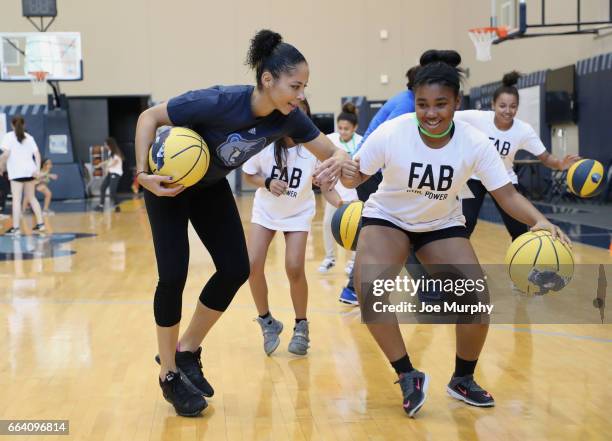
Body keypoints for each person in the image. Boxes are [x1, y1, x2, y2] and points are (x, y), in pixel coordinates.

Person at [340, 50, 570, 417]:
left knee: (476, 302)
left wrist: (539, 221)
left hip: (441, 224)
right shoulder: (392, 131)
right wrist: (345, 173)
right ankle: (407, 374)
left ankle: (462, 378)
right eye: (422, 104)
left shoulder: (474, 142)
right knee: (372, 292)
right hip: (388, 218)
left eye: (441, 104)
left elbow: (506, 193)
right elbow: (359, 175)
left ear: (457, 103)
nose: (431, 113)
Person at [135, 29, 348, 417]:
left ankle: (187, 351)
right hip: (167, 184)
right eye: (295, 85)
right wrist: (142, 174)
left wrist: (340, 159)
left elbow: (331, 150)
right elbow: (149, 117)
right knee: (173, 275)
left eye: (305, 87)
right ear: (268, 81)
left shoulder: (290, 119)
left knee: (236, 267)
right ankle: (168, 373)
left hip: (209, 186)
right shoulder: (218, 101)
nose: (301, 95)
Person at [244, 99, 341, 356]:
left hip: (298, 212)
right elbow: (248, 174)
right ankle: (267, 322)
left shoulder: (314, 149)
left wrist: (343, 207)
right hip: (266, 211)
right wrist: (266, 181)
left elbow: (327, 188)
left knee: (294, 266)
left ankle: (301, 325)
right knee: (251, 265)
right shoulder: (265, 143)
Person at [455, 71, 580, 240]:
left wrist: (559, 164)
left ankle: (525, 263)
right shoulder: (478, 118)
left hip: (503, 178)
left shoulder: (524, 130)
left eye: (512, 106)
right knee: (465, 223)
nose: (508, 111)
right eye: (502, 106)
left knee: (519, 229)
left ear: (517, 108)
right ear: (493, 105)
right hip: (475, 177)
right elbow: (447, 117)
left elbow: (545, 157)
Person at [338, 66, 419, 305]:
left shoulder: (407, 100)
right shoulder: (407, 105)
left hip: (371, 169)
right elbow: (391, 143)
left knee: (387, 229)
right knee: (396, 228)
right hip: (372, 171)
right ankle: (354, 288)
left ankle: (353, 289)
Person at [318, 102, 362, 274]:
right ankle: (329, 258)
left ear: (355, 128)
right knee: (328, 224)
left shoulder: (361, 142)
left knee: (355, 228)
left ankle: (353, 260)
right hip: (334, 191)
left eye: (347, 128)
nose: (343, 131)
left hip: (355, 193)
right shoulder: (330, 140)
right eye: (340, 127)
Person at [0, 115, 45, 236]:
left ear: (11, 125)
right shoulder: (29, 137)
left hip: (16, 173)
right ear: (24, 125)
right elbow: (37, 154)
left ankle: (16, 228)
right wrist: (37, 170)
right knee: (32, 197)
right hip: (30, 172)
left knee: (16, 200)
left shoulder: (8, 137)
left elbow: (6, 154)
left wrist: (1, 165)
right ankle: (40, 224)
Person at [95, 137, 124, 212]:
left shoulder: (116, 153)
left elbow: (116, 161)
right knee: (102, 187)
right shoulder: (110, 152)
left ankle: (117, 206)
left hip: (115, 173)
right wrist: (101, 164)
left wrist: (107, 167)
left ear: (109, 145)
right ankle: (101, 206)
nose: (105, 146)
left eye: (106, 144)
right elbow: (109, 161)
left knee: (112, 192)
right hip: (111, 173)